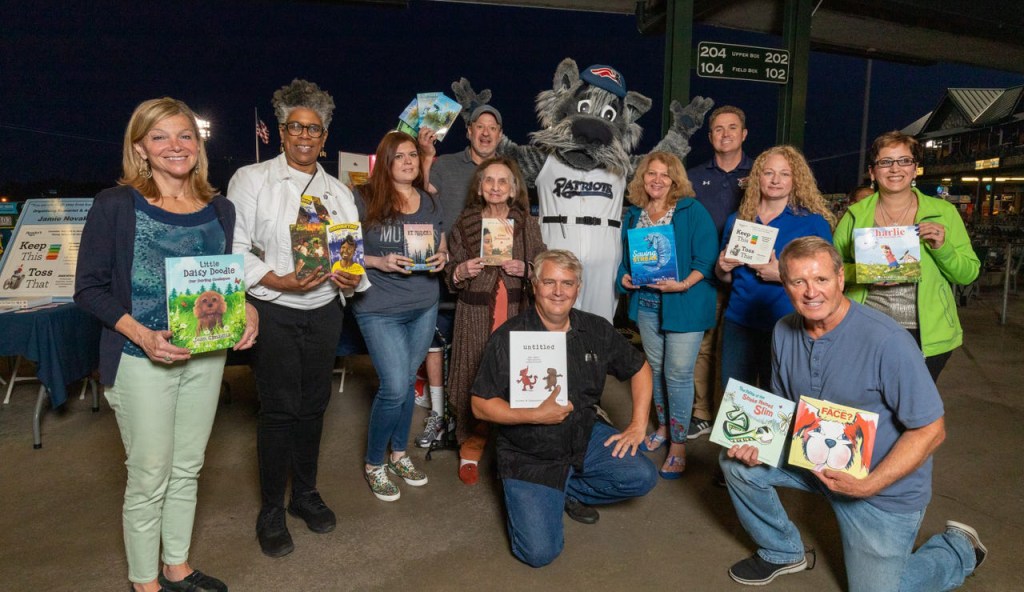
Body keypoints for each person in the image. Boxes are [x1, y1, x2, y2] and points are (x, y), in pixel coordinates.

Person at [721, 237, 986, 590]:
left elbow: (932, 430)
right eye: (798, 282)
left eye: (821, 280)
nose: (810, 292)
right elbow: (783, 405)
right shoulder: (784, 331)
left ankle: (957, 549)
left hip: (880, 486)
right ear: (784, 285)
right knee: (736, 462)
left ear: (841, 279)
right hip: (814, 457)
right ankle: (783, 549)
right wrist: (757, 442)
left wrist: (869, 484)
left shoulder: (887, 341)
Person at [75, 97, 258, 592]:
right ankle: (144, 582)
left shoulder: (222, 209)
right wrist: (140, 334)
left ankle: (176, 566)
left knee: (187, 467)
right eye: (160, 137)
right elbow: (88, 288)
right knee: (149, 474)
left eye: (185, 136)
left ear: (198, 148)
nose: (175, 146)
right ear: (141, 148)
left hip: (206, 356)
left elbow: (220, 281)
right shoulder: (116, 205)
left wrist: (248, 309)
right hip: (139, 359)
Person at [228, 79, 366, 558]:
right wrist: (277, 281)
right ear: (282, 133)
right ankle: (270, 508)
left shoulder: (338, 192)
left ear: (325, 138)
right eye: (296, 127)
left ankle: (304, 494)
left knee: (314, 405)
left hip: (325, 311)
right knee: (279, 409)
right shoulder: (251, 179)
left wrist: (351, 279)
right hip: (274, 309)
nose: (305, 136)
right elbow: (236, 248)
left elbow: (352, 254)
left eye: (314, 129)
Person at [471, 250, 658, 568]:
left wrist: (638, 424)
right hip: (529, 452)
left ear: (578, 288)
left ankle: (564, 488)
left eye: (567, 283)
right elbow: (480, 405)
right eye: (549, 282)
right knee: (539, 553)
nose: (558, 291)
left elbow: (639, 368)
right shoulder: (508, 337)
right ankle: (538, 492)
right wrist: (532, 415)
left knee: (641, 476)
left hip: (583, 435)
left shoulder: (596, 329)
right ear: (534, 286)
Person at [833, 131, 979, 380]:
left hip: (926, 334)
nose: (895, 169)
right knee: (867, 407)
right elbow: (831, 271)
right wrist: (863, 273)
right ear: (872, 172)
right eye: (885, 162)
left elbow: (968, 274)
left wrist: (942, 247)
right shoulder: (854, 215)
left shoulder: (943, 212)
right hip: (866, 326)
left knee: (912, 412)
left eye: (904, 161)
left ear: (915, 169)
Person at [352, 131, 448, 501]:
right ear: (386, 161)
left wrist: (444, 257)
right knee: (393, 386)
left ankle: (399, 453)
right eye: (399, 156)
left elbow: (441, 242)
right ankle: (374, 462)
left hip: (423, 304)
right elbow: (339, 250)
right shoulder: (363, 198)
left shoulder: (428, 200)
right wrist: (379, 261)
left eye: (413, 155)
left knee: (407, 382)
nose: (408, 161)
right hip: (378, 307)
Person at [443, 156, 546, 484]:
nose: (496, 187)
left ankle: (512, 446)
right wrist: (461, 270)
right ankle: (470, 442)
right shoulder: (465, 222)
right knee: (472, 372)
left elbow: (543, 267)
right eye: (490, 181)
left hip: (514, 309)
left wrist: (526, 269)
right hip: (474, 311)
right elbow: (449, 273)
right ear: (480, 186)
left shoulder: (527, 223)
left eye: (503, 182)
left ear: (514, 188)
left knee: (514, 377)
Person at [616, 152, 717, 478]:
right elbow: (626, 260)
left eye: (664, 174)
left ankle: (678, 443)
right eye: (650, 174)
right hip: (646, 304)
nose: (657, 180)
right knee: (656, 371)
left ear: (675, 180)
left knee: (677, 374)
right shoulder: (633, 215)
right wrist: (624, 277)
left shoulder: (691, 210)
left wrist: (684, 283)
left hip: (683, 303)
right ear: (642, 179)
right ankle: (663, 426)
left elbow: (707, 258)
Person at [411, 105, 505, 446]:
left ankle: (477, 419)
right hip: (445, 268)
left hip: (490, 278)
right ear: (468, 131)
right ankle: (439, 414)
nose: (485, 132)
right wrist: (425, 156)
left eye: (492, 128)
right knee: (436, 341)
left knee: (481, 347)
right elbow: (422, 195)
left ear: (499, 134)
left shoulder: (506, 169)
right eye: (479, 126)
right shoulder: (446, 165)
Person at [715, 145, 834, 390]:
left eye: (785, 174)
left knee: (779, 398)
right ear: (757, 177)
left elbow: (827, 279)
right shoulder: (738, 220)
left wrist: (782, 274)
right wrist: (722, 267)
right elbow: (726, 280)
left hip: (789, 323)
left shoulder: (812, 223)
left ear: (796, 180)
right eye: (769, 173)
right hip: (739, 321)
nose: (776, 180)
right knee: (735, 397)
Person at [686, 105, 754, 441]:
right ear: (710, 136)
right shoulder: (695, 176)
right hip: (706, 276)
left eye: (732, 128)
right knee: (705, 345)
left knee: (746, 347)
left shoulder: (760, 172)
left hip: (751, 276)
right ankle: (702, 413)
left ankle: (743, 418)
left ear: (744, 134)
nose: (725, 134)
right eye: (718, 129)